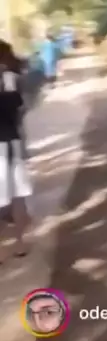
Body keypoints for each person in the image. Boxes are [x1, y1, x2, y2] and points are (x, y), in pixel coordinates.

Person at [0, 40, 32, 263]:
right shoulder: (11, 79)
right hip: (12, 141)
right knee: (17, 196)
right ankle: (19, 243)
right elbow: (19, 113)